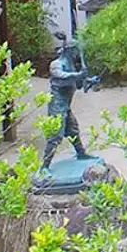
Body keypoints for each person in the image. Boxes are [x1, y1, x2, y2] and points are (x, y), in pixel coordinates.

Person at [41, 33, 96, 168]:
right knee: (55, 136)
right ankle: (45, 166)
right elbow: (62, 78)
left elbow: (77, 85)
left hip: (66, 105)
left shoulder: (71, 66)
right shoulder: (56, 64)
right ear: (70, 51)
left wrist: (88, 81)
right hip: (57, 106)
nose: (77, 54)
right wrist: (78, 75)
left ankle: (81, 153)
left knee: (73, 129)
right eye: (76, 51)